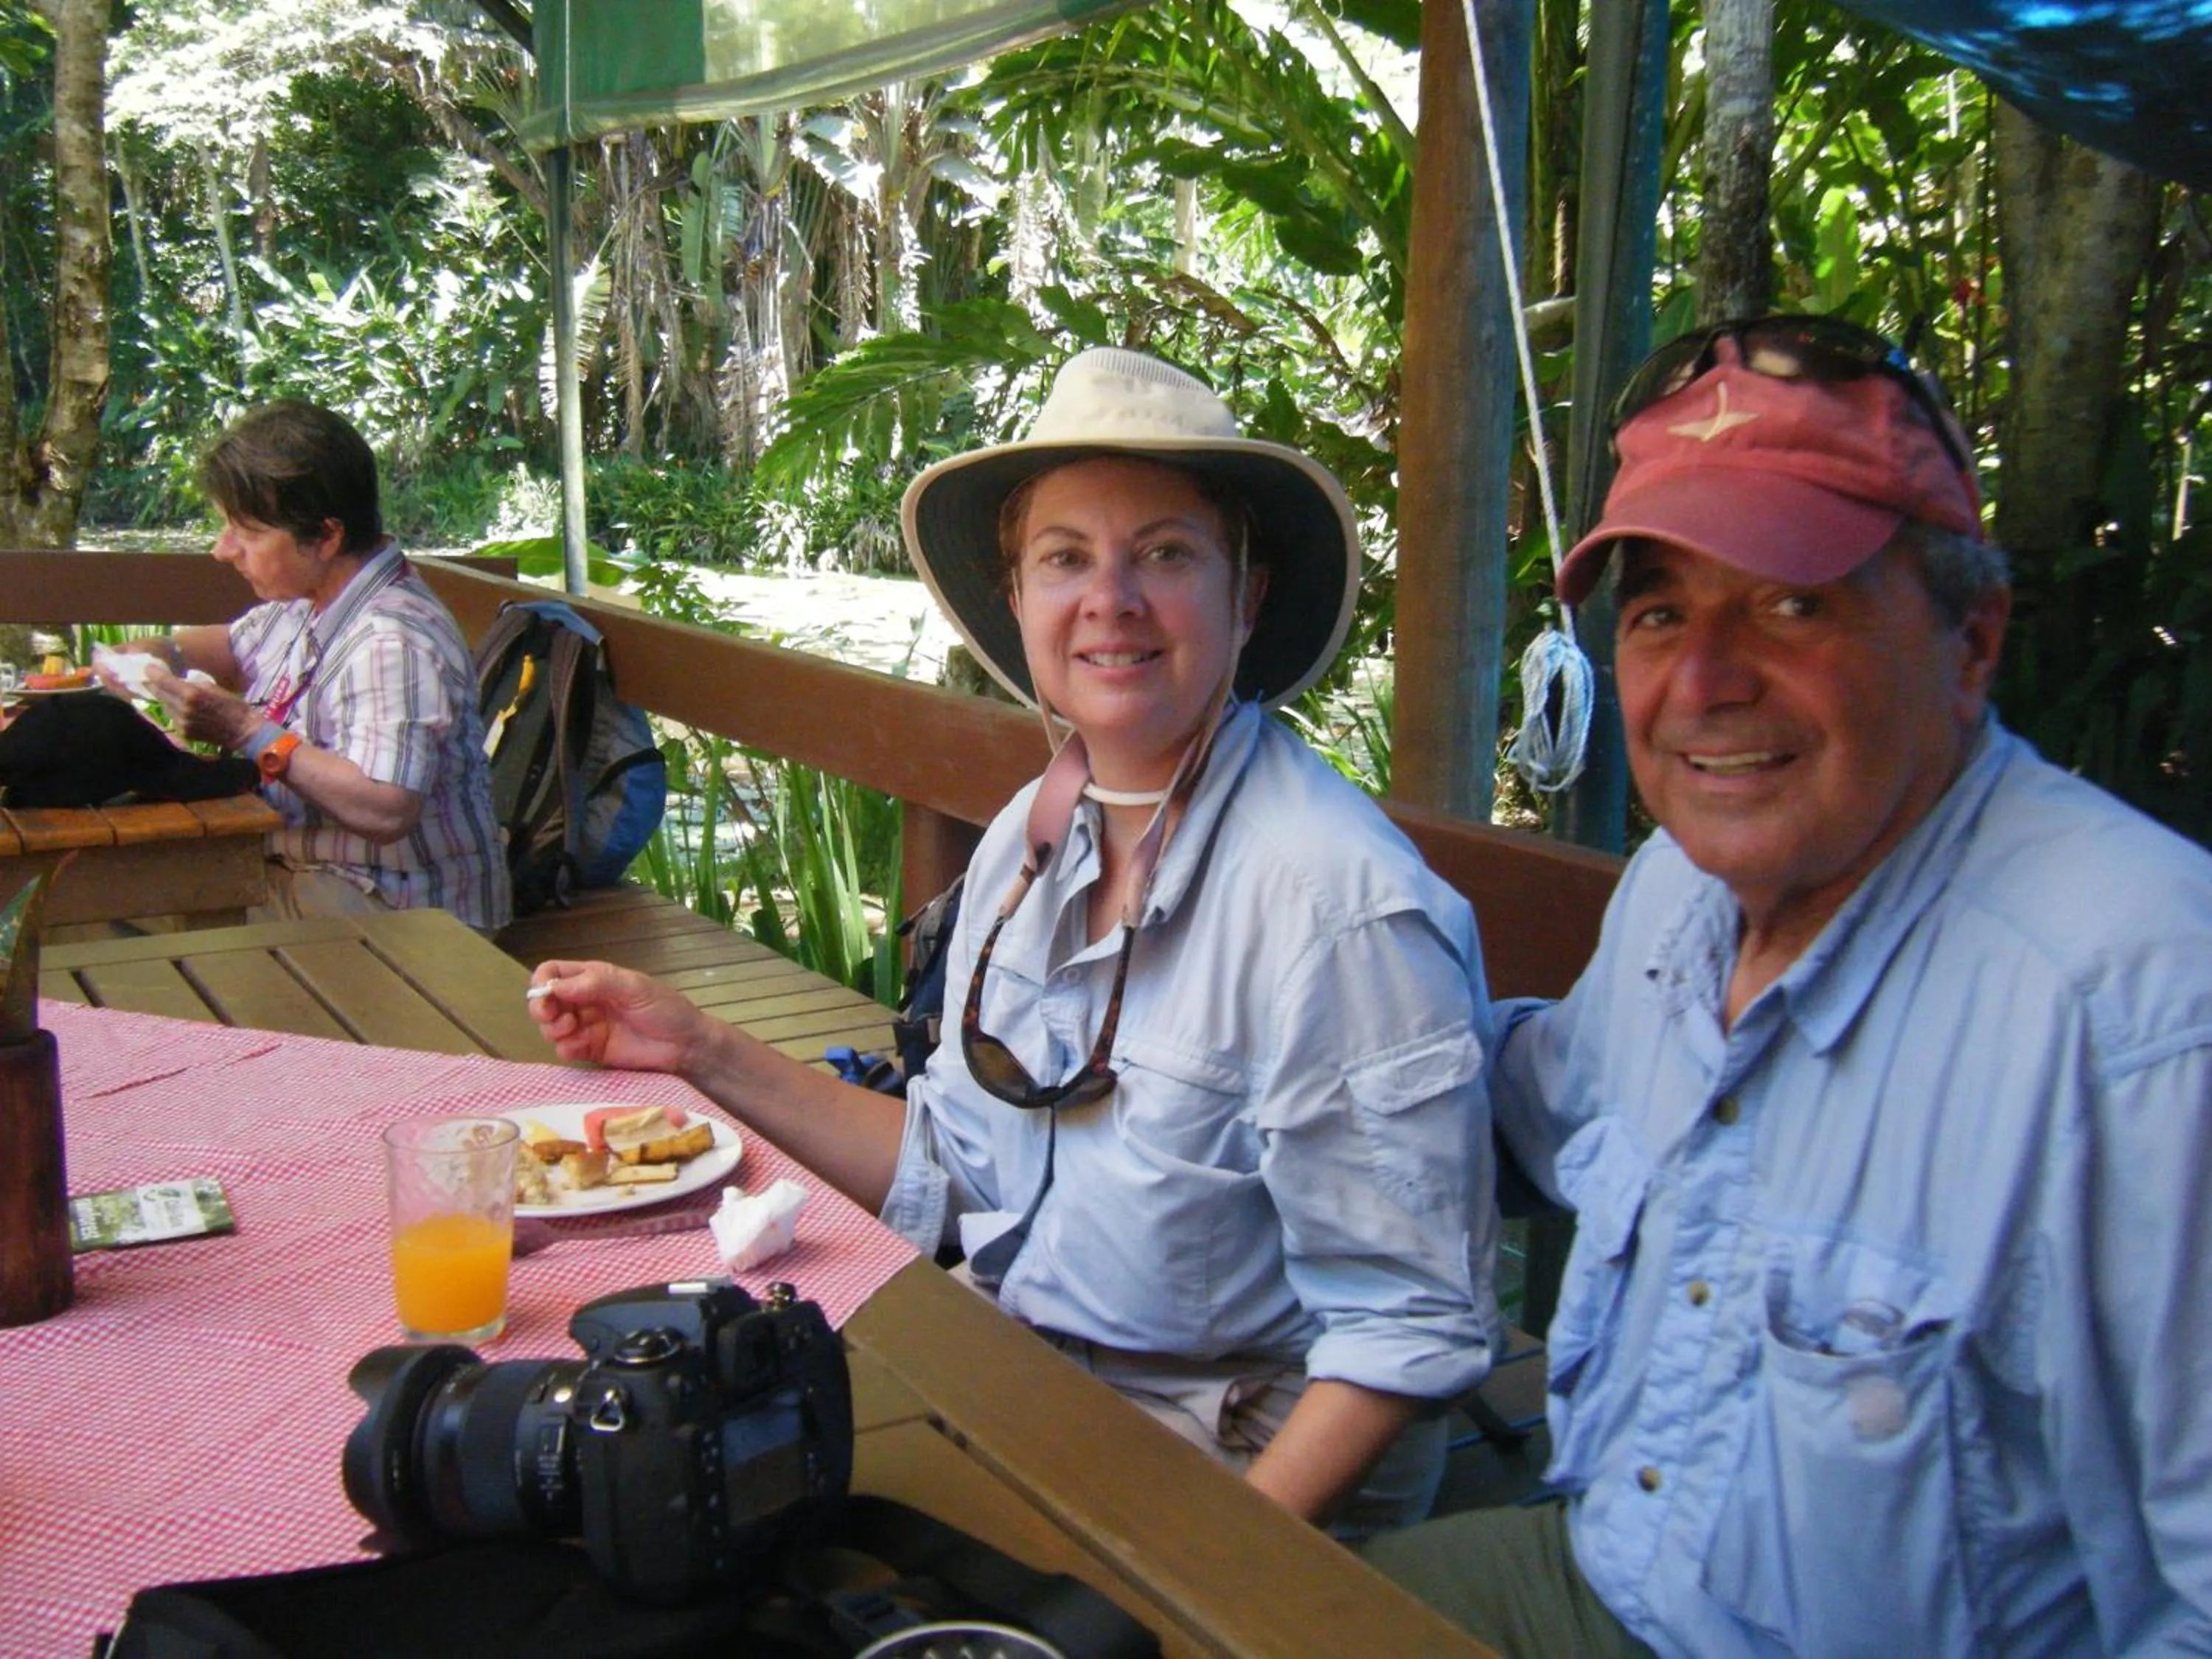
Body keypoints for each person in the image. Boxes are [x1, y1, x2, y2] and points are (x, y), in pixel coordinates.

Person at [530, 348, 1498, 1530]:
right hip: (1027, 1379)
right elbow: (954, 1168)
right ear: (1021, 598)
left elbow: (1405, 1323)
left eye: (1166, 553)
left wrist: (1210, 1578)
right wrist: (698, 1049)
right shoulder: (1033, 841)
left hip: (1239, 1468)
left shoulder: (1335, 906)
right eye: (1065, 558)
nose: (1111, 599)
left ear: (1245, 598)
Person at [1363, 314, 2212, 1655]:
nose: (1704, 680)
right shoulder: (1679, 893)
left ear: (1972, 639)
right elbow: (1539, 1106)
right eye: (1660, 612)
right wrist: (1315, 1011)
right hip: (1608, 1576)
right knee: (1194, 1614)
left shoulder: (2145, 1017)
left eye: (1792, 601)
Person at [102, 402, 509, 931]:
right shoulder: (308, 601)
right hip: (317, 879)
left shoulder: (391, 639)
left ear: (326, 536)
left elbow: (386, 807)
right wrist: (160, 653)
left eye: (247, 534)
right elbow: (230, 647)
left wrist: (246, 730)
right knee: (98, 895)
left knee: (94, 906)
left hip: (398, 910)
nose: (222, 551)